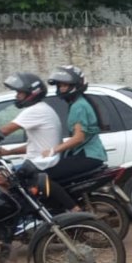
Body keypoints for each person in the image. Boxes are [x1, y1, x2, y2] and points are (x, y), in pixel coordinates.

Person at [0, 71, 78, 212]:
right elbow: (35, 144)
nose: (17, 96)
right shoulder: (43, 108)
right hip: (40, 160)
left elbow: (3, 131)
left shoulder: (35, 110)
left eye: (20, 92)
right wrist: (6, 152)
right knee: (4, 177)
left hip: (40, 164)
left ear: (31, 93)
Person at [43, 65, 107, 200]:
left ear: (75, 86)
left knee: (44, 177)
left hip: (87, 156)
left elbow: (78, 138)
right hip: (89, 154)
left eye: (65, 85)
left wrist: (53, 150)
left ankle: (72, 208)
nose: (61, 89)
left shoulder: (78, 106)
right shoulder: (79, 103)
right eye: (60, 86)